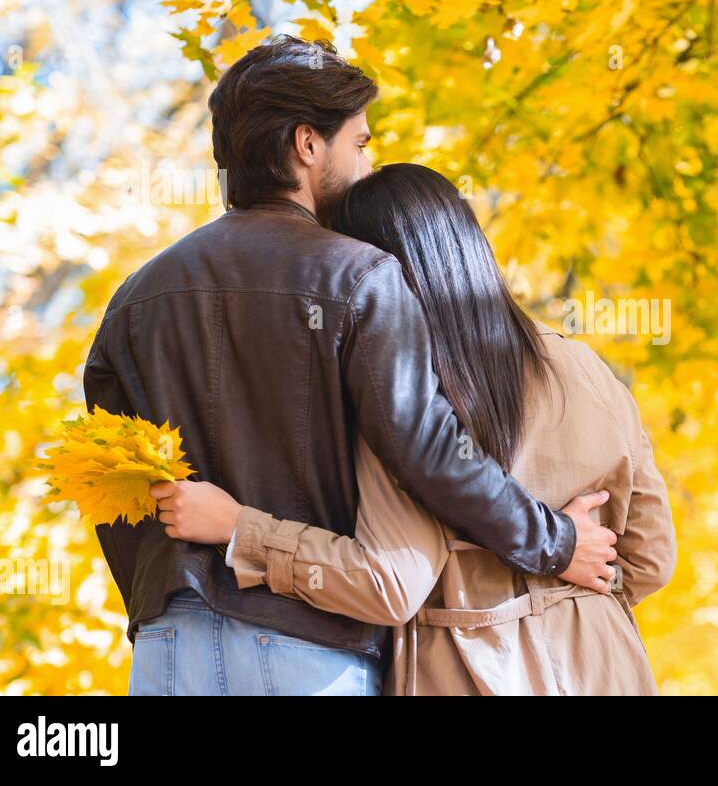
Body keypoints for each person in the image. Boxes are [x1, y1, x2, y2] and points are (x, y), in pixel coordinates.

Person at [83, 37, 618, 695]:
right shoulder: (362, 278)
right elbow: (431, 455)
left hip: (167, 647)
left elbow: (113, 488)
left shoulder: (137, 298)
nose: (366, 165)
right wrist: (556, 543)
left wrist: (158, 599)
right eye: (359, 144)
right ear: (308, 145)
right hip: (308, 647)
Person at [154, 163, 677, 694]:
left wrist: (241, 528)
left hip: (471, 669)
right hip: (608, 668)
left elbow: (386, 582)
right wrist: (565, 596)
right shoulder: (587, 368)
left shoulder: (407, 396)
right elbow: (651, 561)